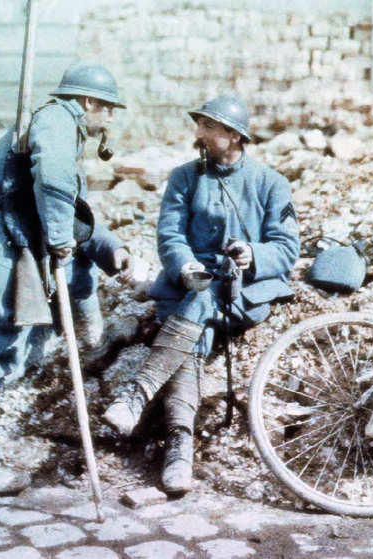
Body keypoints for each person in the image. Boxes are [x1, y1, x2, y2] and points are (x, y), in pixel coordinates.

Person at [0, 61, 139, 494]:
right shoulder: (56, 121)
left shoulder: (62, 127)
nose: (111, 118)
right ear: (88, 102)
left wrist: (109, 248)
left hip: (13, 254)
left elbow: (75, 208)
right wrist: (62, 240)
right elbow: (55, 184)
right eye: (108, 109)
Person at [104, 95, 300, 495]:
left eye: (208, 127)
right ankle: (179, 452)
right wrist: (185, 264)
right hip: (191, 283)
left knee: (200, 303)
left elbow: (286, 248)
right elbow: (170, 234)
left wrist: (252, 254)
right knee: (197, 318)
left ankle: (137, 397)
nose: (199, 134)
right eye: (200, 126)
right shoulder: (184, 177)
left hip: (246, 288)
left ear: (233, 136)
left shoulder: (271, 184)